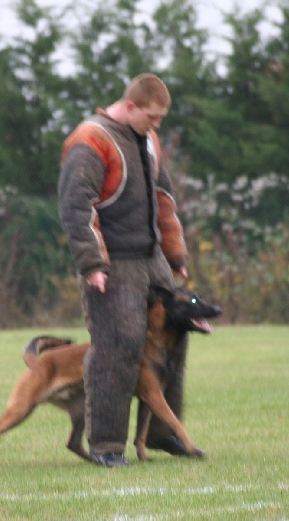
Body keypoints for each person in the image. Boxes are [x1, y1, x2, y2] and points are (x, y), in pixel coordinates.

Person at [58, 73, 190, 467]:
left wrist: (175, 253)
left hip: (152, 258)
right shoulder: (90, 139)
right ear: (131, 106)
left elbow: (163, 198)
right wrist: (92, 263)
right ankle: (107, 445)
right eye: (152, 116)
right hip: (113, 262)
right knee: (119, 345)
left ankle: (166, 435)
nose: (157, 125)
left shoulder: (148, 139)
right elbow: (76, 206)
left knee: (177, 334)